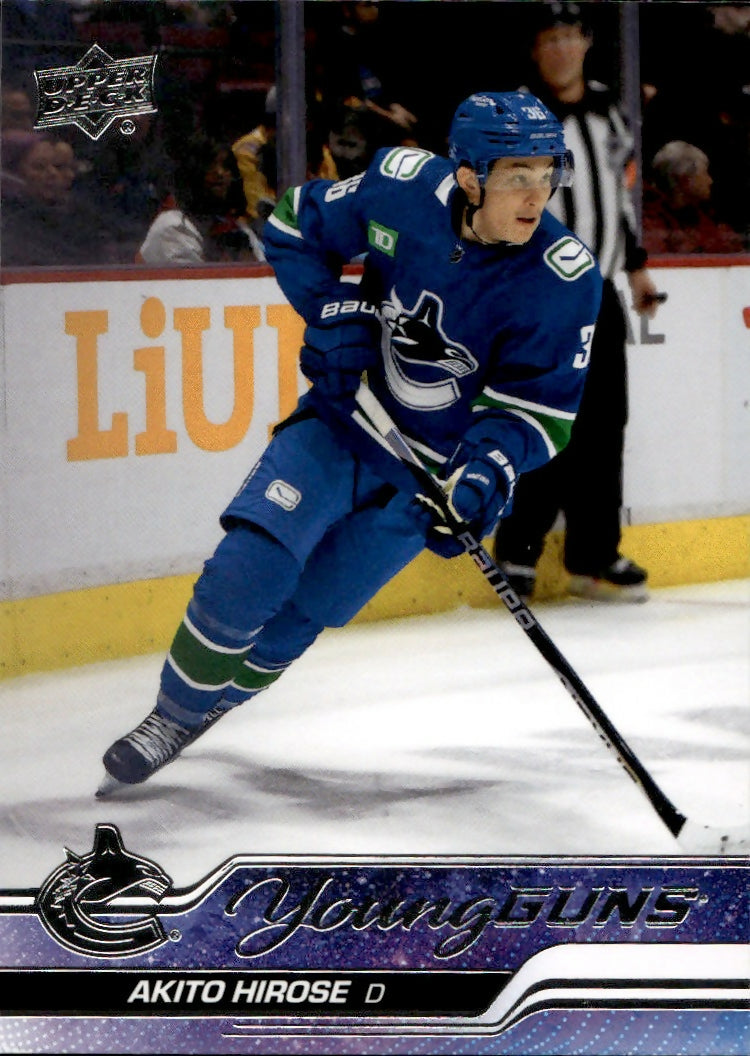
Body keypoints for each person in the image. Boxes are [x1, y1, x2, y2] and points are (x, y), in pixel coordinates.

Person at [96, 89, 602, 794]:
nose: (537, 194)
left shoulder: (563, 277)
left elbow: (537, 411)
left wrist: (487, 469)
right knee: (249, 568)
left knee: (311, 609)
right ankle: (171, 716)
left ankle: (212, 704)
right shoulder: (400, 186)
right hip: (344, 424)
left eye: (548, 174)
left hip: (424, 481)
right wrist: (332, 307)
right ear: (469, 176)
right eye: (518, 175)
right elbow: (293, 223)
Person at [492, 2, 662, 604]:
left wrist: (636, 268)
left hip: (600, 291)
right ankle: (518, 550)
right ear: (535, 50)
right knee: (542, 421)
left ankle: (593, 556)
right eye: (550, 39)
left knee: (604, 426)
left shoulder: (608, 110)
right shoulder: (514, 115)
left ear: (587, 42)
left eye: (570, 36)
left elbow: (617, 196)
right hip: (537, 296)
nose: (562, 49)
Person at [138, 135, 264, 265]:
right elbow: (193, 278)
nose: (220, 173)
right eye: (210, 165)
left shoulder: (238, 228)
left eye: (226, 166)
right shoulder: (173, 226)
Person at [642, 140, 746, 255]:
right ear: (684, 179)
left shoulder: (705, 216)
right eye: (705, 173)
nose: (710, 181)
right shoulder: (650, 223)